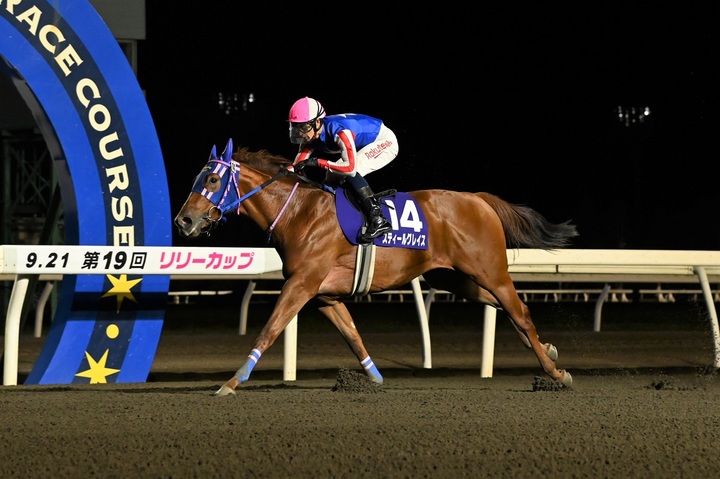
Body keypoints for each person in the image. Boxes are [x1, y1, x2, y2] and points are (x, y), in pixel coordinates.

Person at [286, 96, 398, 242]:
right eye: (296, 127)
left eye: (304, 127)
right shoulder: (311, 135)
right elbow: (296, 166)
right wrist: (284, 171)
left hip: (384, 141)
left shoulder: (339, 131)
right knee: (330, 176)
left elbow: (350, 168)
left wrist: (318, 162)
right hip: (361, 143)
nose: (301, 133)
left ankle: (378, 219)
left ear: (317, 122)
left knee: (348, 172)